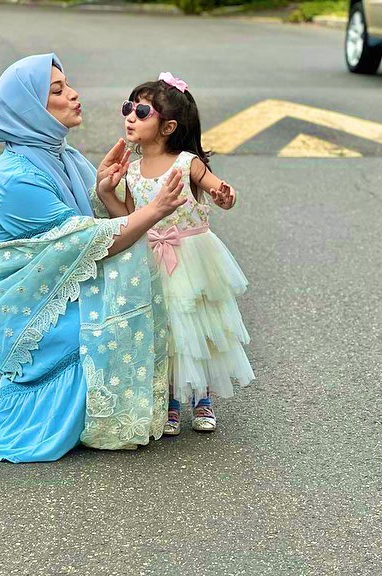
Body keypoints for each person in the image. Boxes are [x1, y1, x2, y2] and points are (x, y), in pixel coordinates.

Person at [0, 54, 187, 462]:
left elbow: (99, 231)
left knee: (133, 266)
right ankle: (103, 414)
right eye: (57, 90)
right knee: (125, 279)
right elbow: (94, 242)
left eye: (67, 85)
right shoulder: (20, 177)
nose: (73, 94)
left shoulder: (60, 155)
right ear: (31, 109)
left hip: (52, 287)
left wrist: (103, 192)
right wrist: (154, 210)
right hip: (23, 308)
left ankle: (120, 406)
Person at [96, 73, 254, 436]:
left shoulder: (186, 163)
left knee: (198, 328)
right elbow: (131, 220)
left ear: (167, 126)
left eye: (141, 111)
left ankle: (202, 398)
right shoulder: (131, 171)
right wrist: (109, 196)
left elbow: (218, 190)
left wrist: (225, 195)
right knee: (163, 330)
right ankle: (169, 400)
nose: (130, 116)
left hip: (192, 255)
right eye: (128, 108)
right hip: (152, 256)